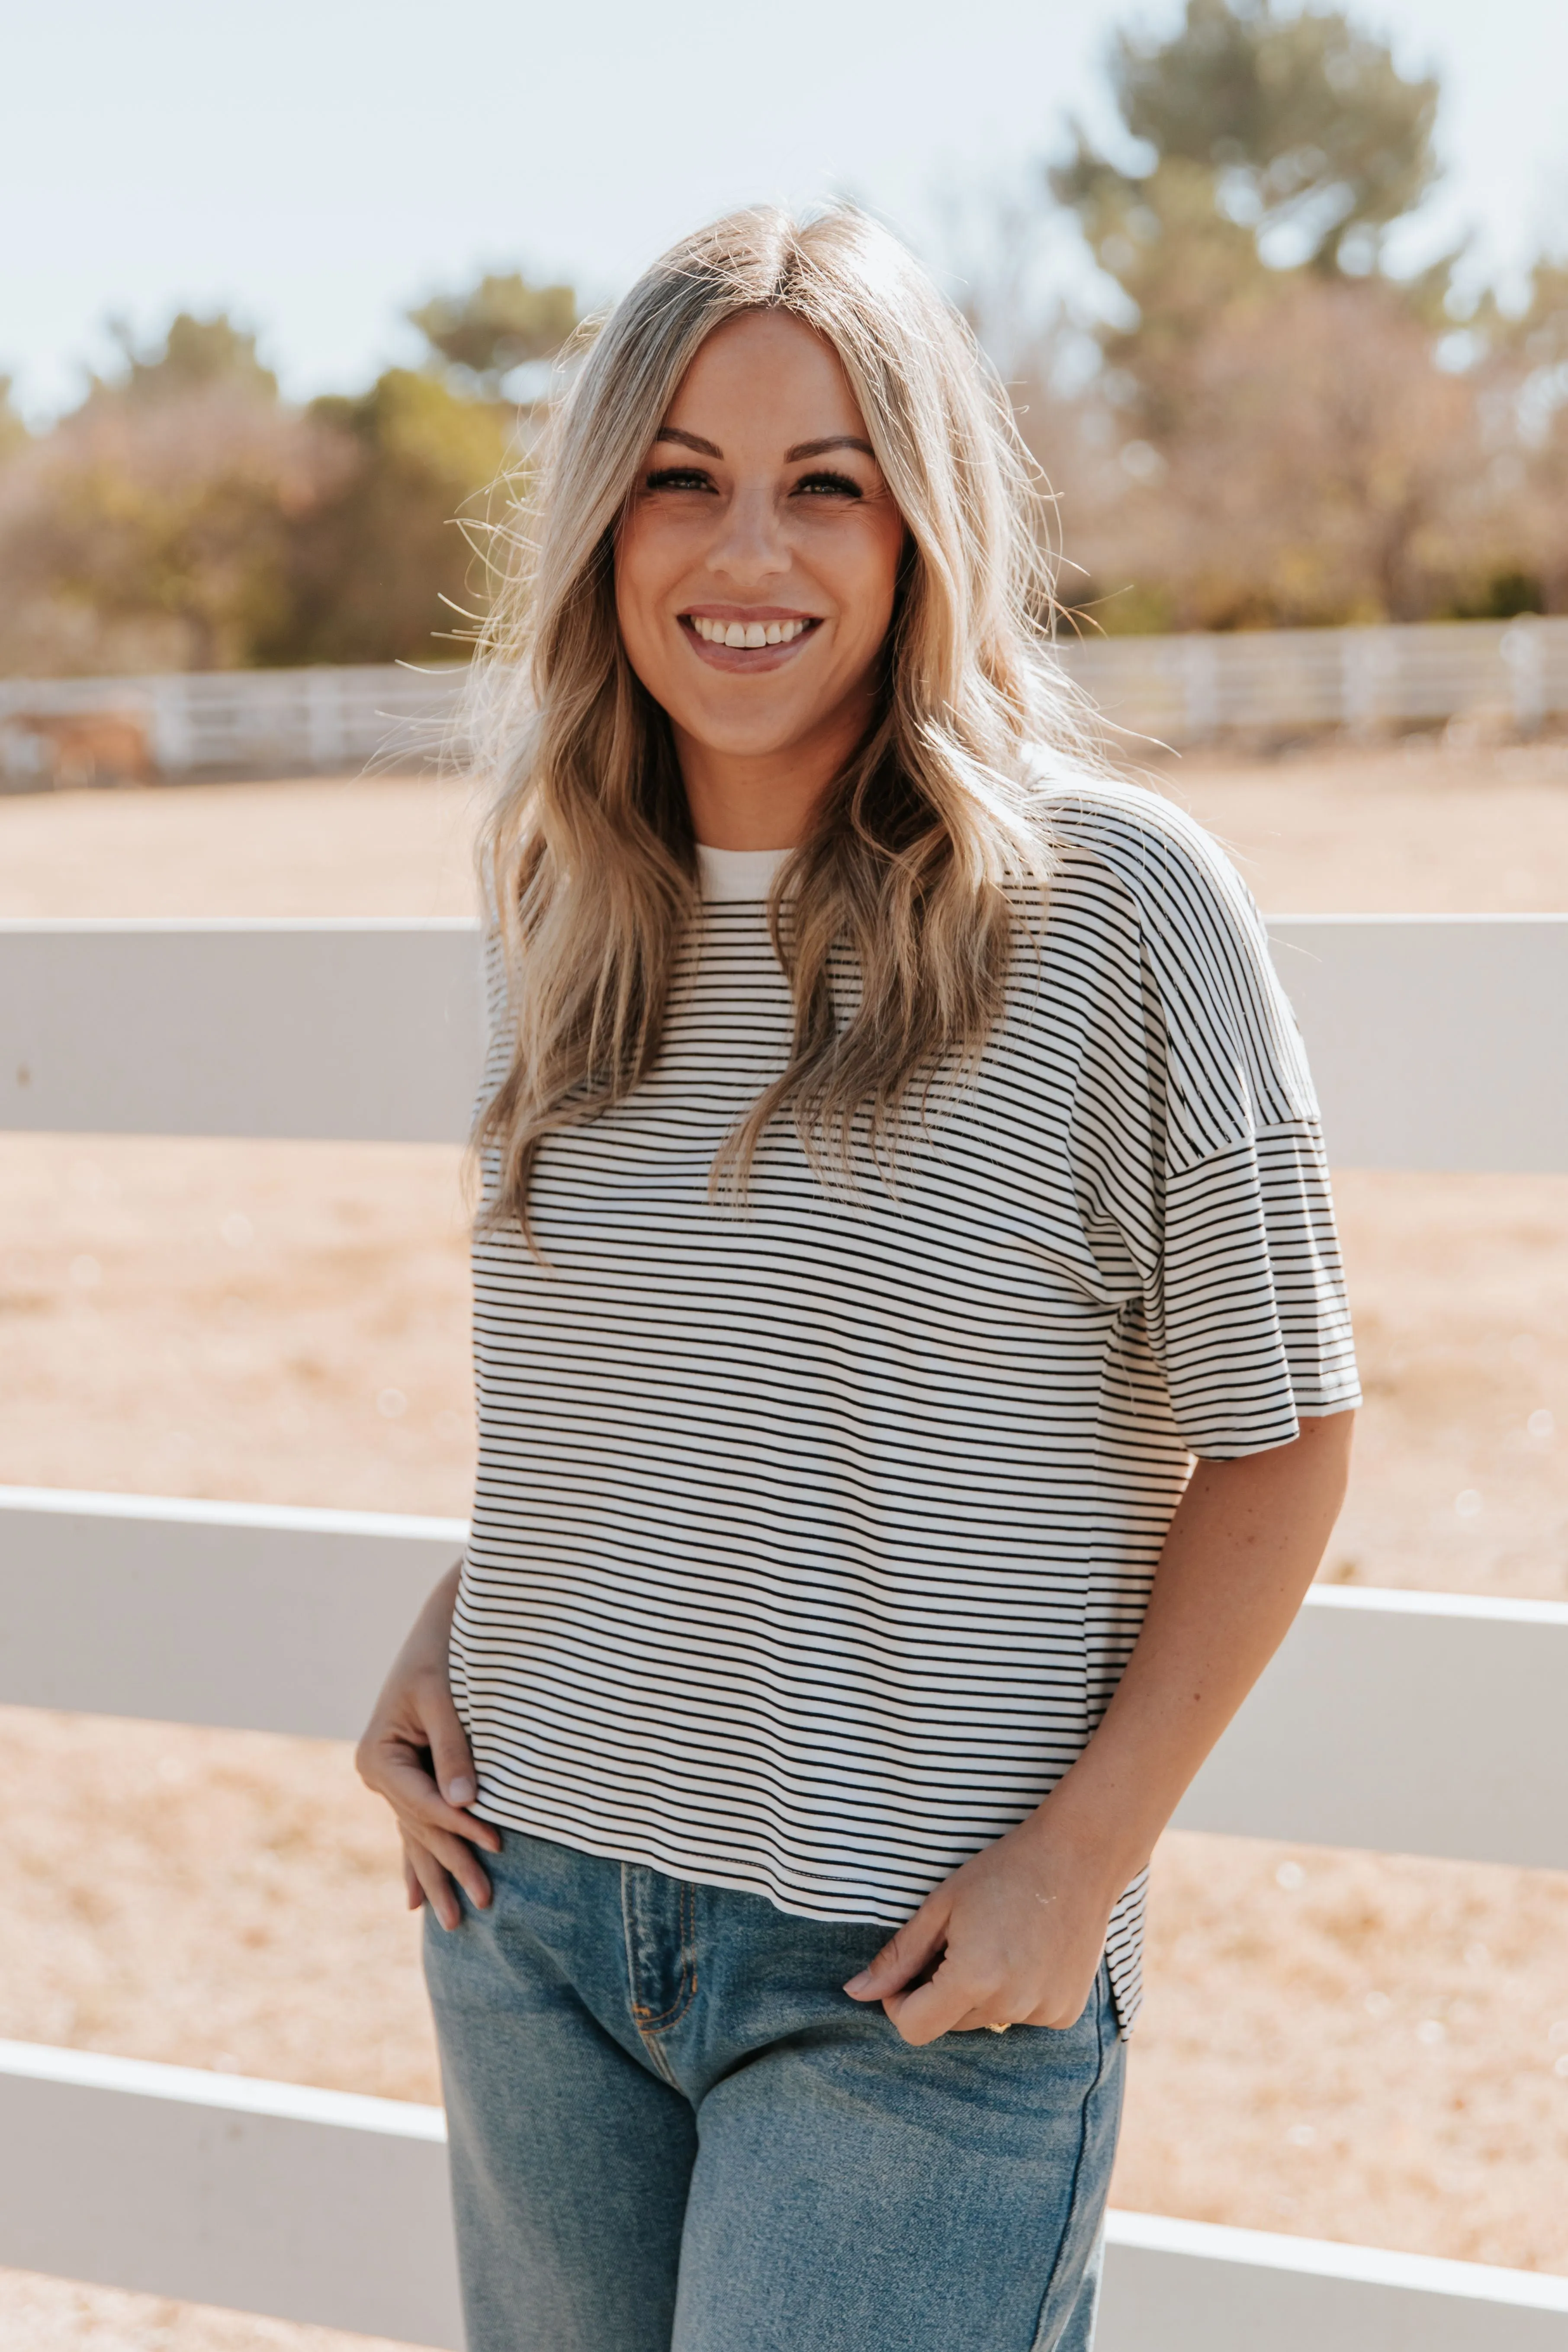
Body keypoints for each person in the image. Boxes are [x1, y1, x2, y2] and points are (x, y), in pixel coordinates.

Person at [357, 205, 1359, 2352]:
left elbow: (1289, 1439)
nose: (751, 552)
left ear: (924, 533)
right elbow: (645, 1371)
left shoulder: (1114, 913)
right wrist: (462, 1624)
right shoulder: (567, 903)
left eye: (829, 483)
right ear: (602, 523)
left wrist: (1080, 1867)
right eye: (681, 478)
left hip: (915, 1983)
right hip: (537, 1920)